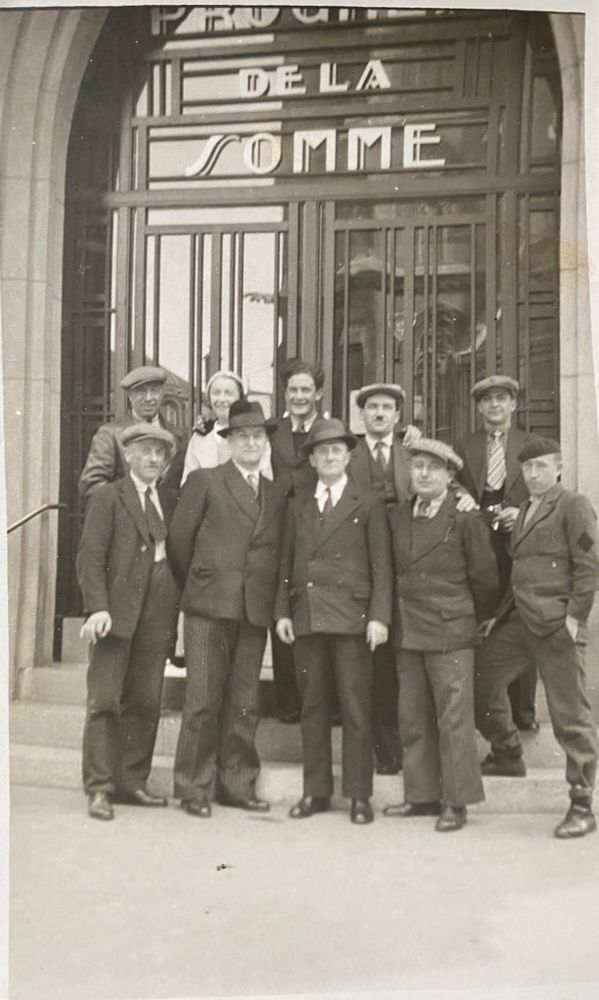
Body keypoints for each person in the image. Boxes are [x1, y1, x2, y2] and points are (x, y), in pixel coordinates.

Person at [166, 400, 289, 818]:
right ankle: (193, 786)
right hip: (207, 605)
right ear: (229, 442)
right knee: (201, 698)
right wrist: (200, 584)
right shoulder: (206, 481)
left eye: (258, 436)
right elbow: (179, 543)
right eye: (242, 436)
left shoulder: (276, 492)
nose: (251, 443)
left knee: (243, 700)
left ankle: (237, 784)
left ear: (266, 444)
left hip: (253, 610)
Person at [475, 437, 599, 838]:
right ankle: (507, 750)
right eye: (527, 468)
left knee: (569, 716)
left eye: (541, 467)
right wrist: (498, 618)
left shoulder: (573, 505)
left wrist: (575, 619)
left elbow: (590, 565)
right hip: (519, 622)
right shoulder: (525, 509)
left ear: (558, 468)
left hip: (556, 625)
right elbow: (520, 574)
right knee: (480, 679)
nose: (533, 474)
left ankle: (582, 803)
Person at [275, 418, 393, 825]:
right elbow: (286, 565)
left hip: (353, 619)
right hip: (308, 616)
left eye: (336, 450)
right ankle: (316, 791)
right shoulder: (298, 504)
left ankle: (360, 795)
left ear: (348, 456)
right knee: (313, 707)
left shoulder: (369, 501)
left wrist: (379, 616)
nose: (328, 456)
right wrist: (282, 612)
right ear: (311, 459)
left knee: (356, 709)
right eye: (321, 451)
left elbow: (383, 567)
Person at [384, 439, 499, 832]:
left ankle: (456, 801)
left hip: (451, 629)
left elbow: (485, 579)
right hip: (409, 629)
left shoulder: (466, 519)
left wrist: (473, 618)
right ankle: (420, 796)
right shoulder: (398, 516)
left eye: (433, 467)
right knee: (412, 717)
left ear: (451, 477)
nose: (423, 473)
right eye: (417, 465)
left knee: (453, 720)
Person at [77, 423, 180, 821]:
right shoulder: (109, 496)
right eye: (145, 451)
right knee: (105, 701)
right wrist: (96, 607)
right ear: (130, 455)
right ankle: (100, 788)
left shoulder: (168, 500)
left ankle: (132, 781)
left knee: (145, 699)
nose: (153, 459)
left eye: (160, 453)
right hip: (115, 610)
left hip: (157, 608)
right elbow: (90, 556)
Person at [455, 375, 538, 732]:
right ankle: (486, 709)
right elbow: (453, 480)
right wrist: (466, 498)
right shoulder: (465, 445)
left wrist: (520, 514)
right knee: (484, 620)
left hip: (516, 544)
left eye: (501, 399)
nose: (494, 405)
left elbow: (547, 489)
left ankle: (524, 713)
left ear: (513, 405)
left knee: (521, 623)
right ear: (479, 407)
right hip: (479, 543)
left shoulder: (530, 444)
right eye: (487, 399)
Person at [348, 382, 418, 775]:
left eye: (386, 407)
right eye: (372, 406)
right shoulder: (348, 456)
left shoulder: (412, 456)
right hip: (363, 567)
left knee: (401, 662)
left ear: (397, 415)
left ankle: (405, 746)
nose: (379, 413)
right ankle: (382, 751)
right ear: (363, 415)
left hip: (407, 569)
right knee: (371, 663)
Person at [269, 358, 326, 722]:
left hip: (318, 529)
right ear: (285, 393)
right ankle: (288, 702)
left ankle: (320, 702)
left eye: (306, 390)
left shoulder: (331, 430)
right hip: (277, 529)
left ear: (317, 393)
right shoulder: (271, 430)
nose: (299, 396)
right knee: (282, 607)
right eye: (293, 390)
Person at [79, 365, 186, 500]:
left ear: (162, 394)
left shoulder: (178, 435)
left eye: (154, 391)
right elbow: (91, 484)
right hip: (125, 518)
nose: (149, 398)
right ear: (130, 396)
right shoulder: (110, 433)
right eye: (141, 392)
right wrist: (130, 506)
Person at [181, 370, 246, 482]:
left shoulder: (253, 436)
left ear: (239, 398)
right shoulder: (199, 439)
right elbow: (188, 486)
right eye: (216, 393)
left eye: (228, 393)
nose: (221, 399)